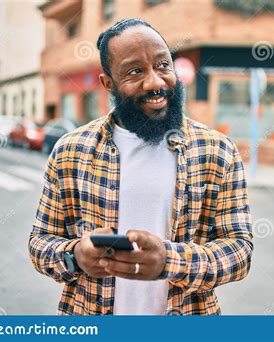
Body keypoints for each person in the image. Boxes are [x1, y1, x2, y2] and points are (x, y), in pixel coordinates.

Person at [28, 18, 253, 315]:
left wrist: (169, 261)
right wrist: (74, 257)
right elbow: (40, 242)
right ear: (109, 84)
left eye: (162, 65)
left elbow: (240, 251)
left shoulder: (217, 150)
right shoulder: (71, 151)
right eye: (135, 71)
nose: (155, 82)